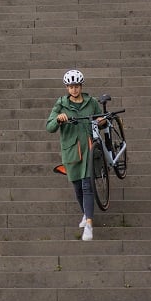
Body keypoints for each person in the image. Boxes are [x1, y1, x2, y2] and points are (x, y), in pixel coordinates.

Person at [46, 69, 102, 241]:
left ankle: (89, 225)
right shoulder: (61, 104)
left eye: (76, 86)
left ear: (81, 86)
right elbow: (49, 127)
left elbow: (101, 118)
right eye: (71, 86)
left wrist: (101, 121)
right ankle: (85, 214)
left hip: (90, 149)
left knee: (87, 186)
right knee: (78, 187)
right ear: (67, 88)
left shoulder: (91, 102)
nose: (74, 89)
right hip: (71, 152)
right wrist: (58, 119)